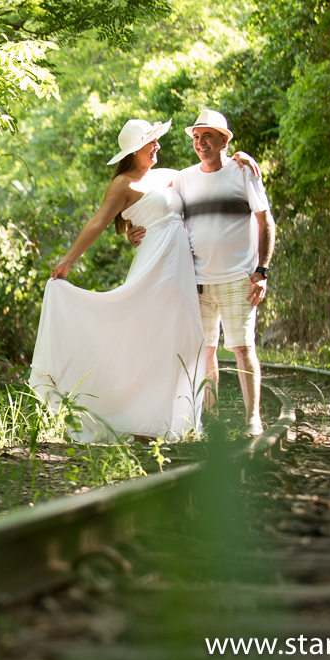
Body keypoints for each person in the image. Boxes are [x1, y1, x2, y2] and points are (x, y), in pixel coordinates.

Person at [28, 119, 205, 442]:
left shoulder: (168, 176)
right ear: (134, 149)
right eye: (151, 142)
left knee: (184, 335)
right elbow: (99, 222)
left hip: (179, 268)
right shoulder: (122, 184)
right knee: (147, 336)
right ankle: (135, 419)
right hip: (156, 267)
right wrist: (69, 260)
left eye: (156, 141)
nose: (157, 146)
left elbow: (205, 175)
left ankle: (175, 420)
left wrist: (238, 160)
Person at [129, 109, 275, 436]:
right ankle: (212, 419)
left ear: (224, 140)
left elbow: (266, 222)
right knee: (205, 352)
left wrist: (261, 271)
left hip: (240, 280)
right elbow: (142, 194)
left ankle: (253, 420)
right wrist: (129, 227)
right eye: (196, 137)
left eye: (207, 136)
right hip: (198, 283)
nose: (200, 143)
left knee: (242, 348)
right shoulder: (183, 178)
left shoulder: (243, 172)